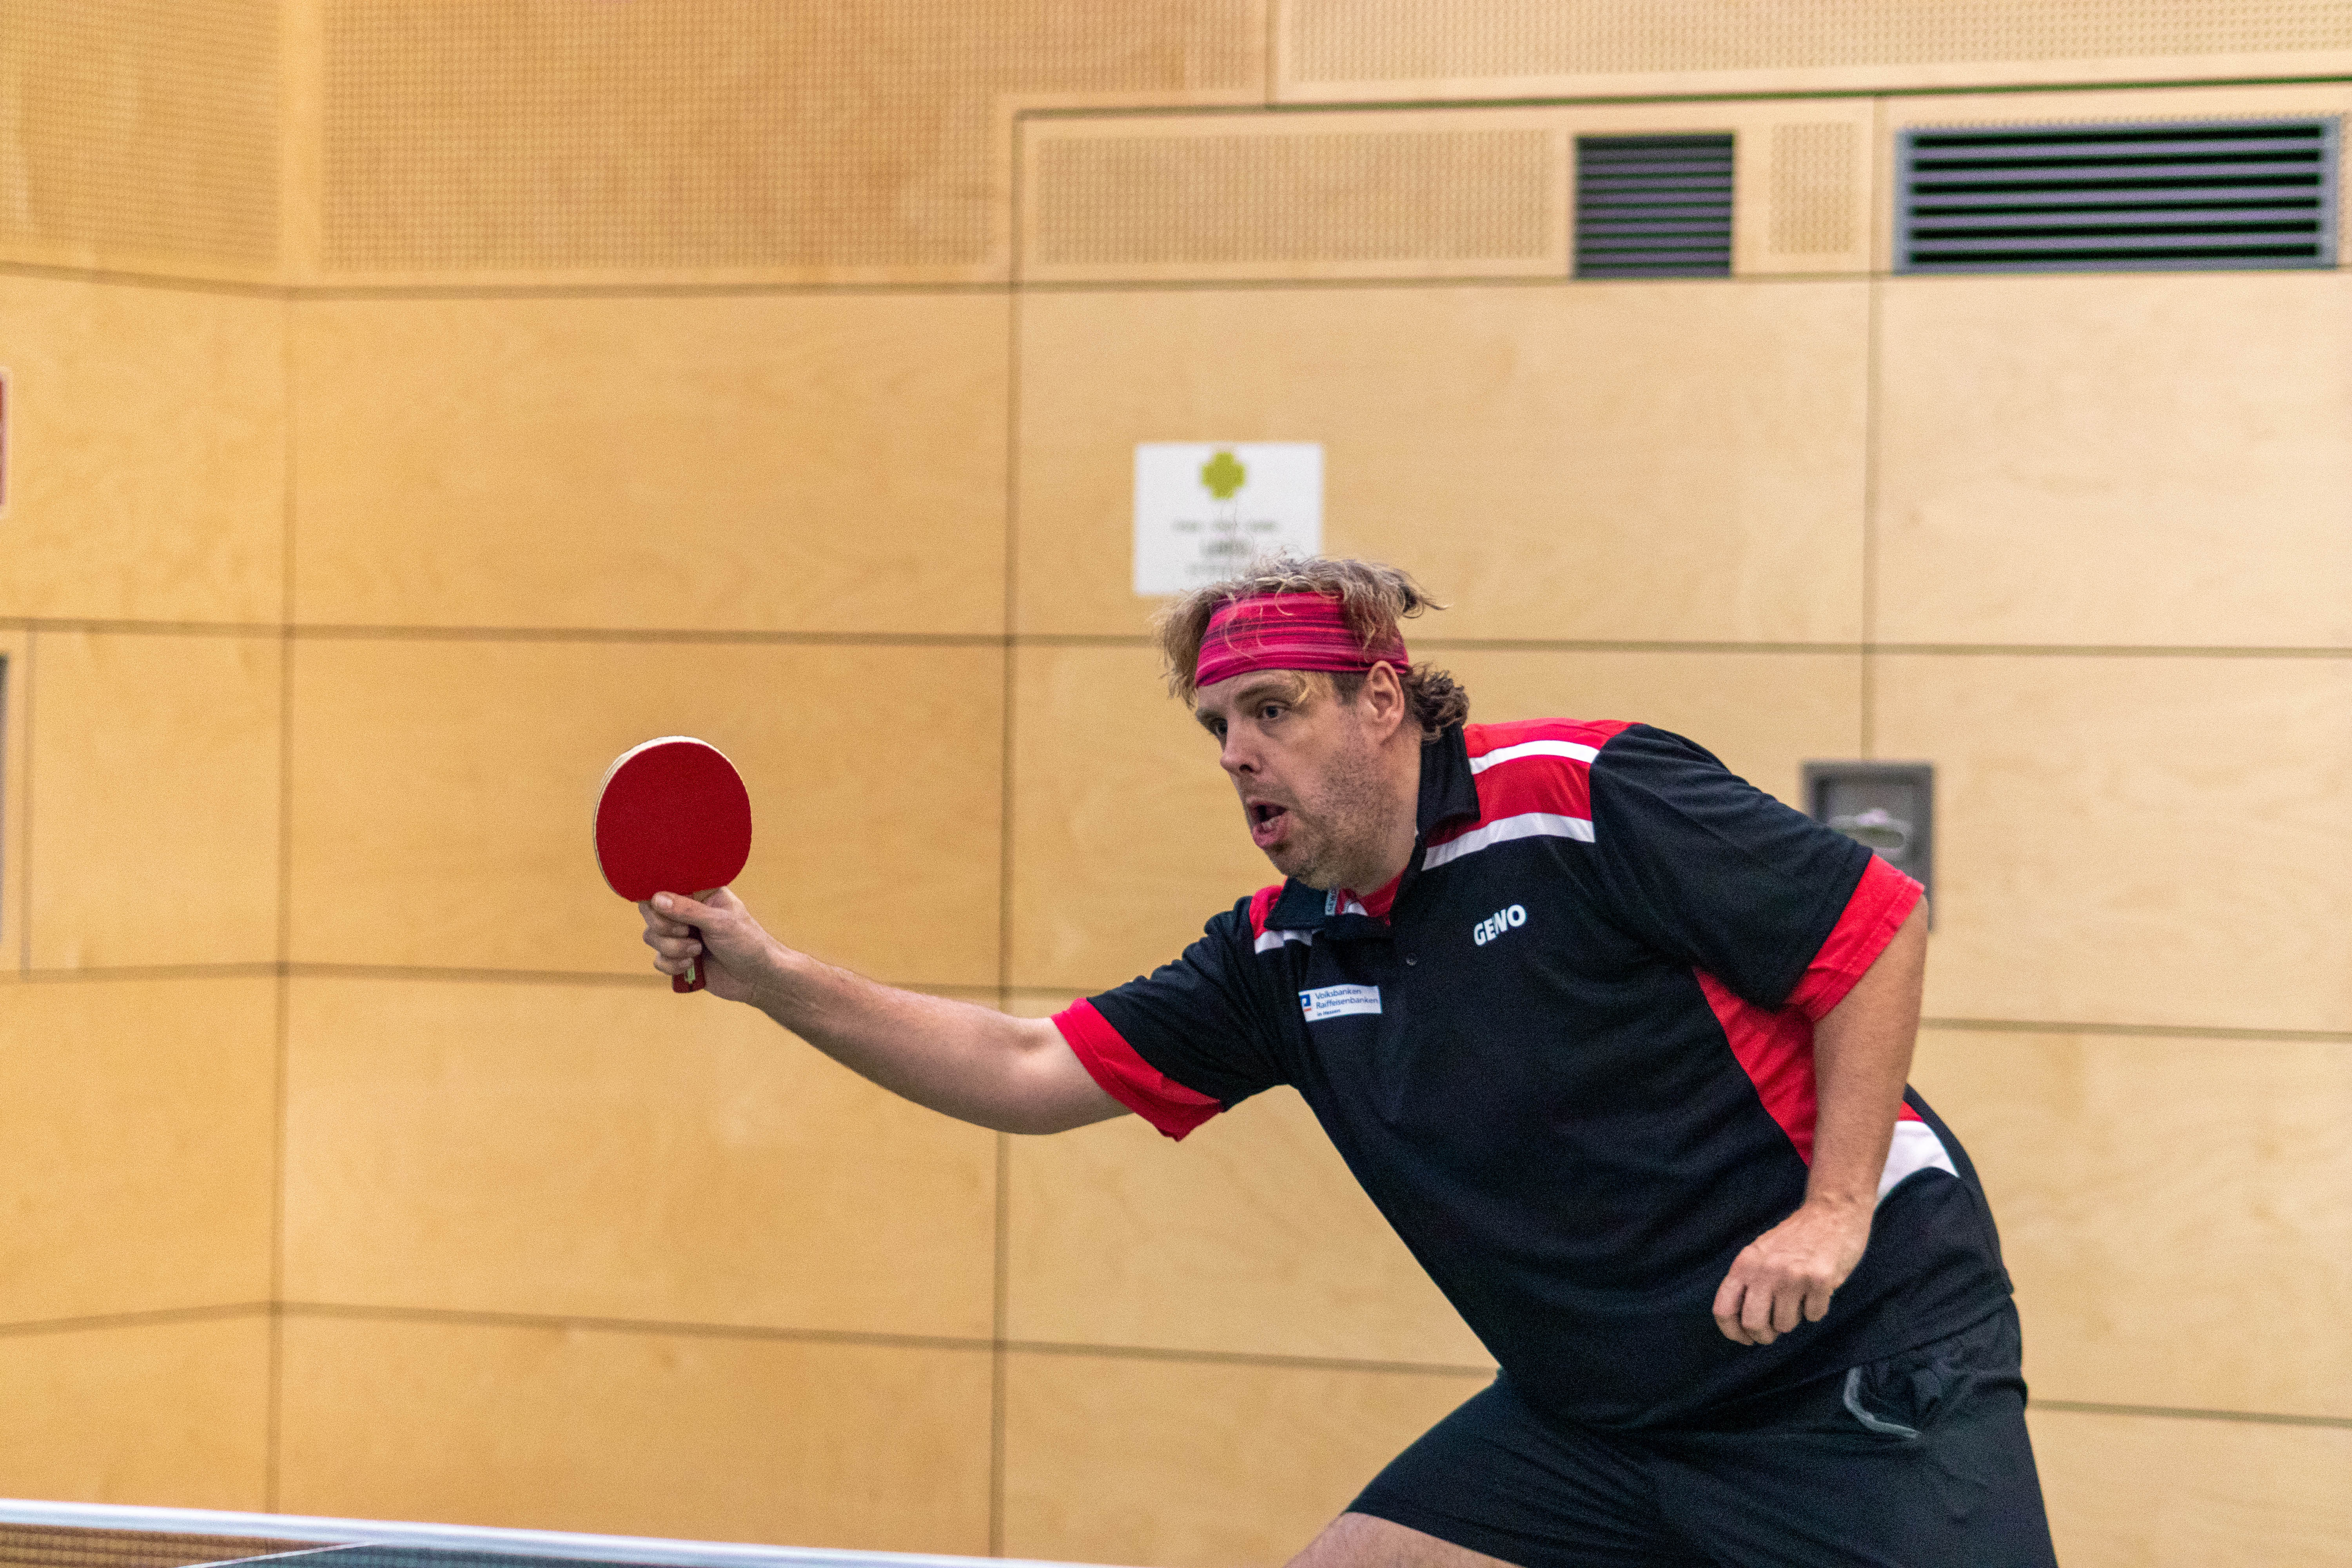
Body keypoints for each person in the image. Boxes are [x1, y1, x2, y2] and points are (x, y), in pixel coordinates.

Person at [638, 555, 2057, 1568]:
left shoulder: (1582, 798)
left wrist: (1833, 1211)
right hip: (1601, 1414)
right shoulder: (1281, 952)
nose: (1237, 755)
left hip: (1854, 1369)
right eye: (1218, 726)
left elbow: (1874, 923)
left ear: (1384, 700)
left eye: (1275, 710)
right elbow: (1024, 1067)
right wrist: (772, 980)